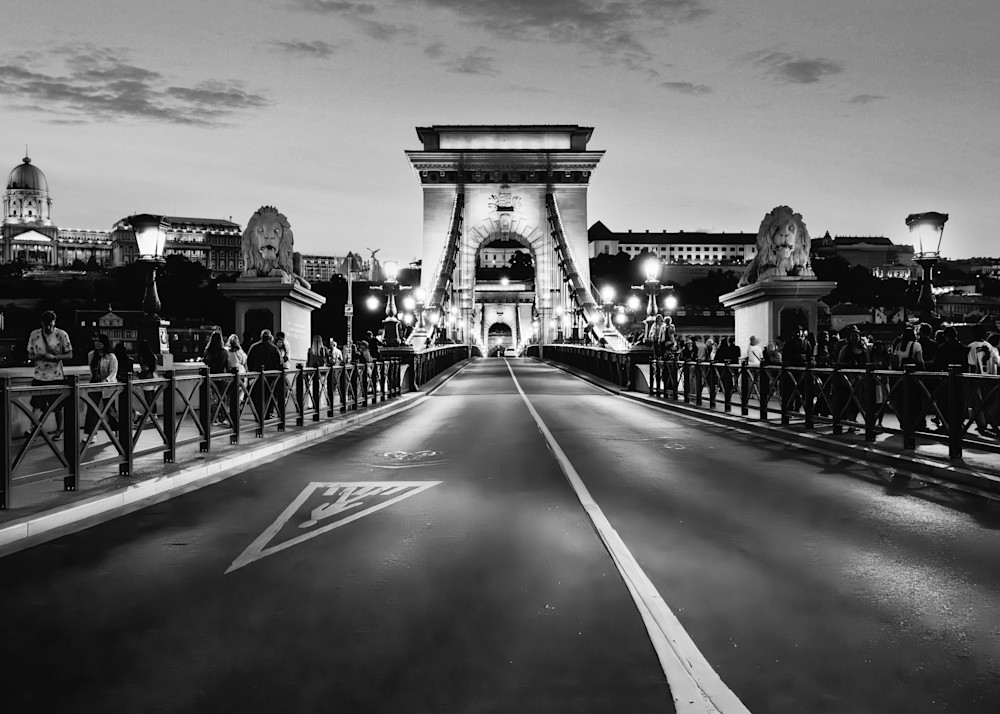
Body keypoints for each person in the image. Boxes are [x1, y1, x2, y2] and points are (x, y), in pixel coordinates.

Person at [25, 309, 73, 440]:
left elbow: (69, 355)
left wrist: (54, 356)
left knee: (57, 407)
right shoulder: (34, 335)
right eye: (46, 325)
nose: (48, 327)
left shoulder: (62, 335)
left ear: (54, 322)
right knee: (36, 405)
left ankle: (59, 431)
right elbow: (30, 355)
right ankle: (33, 430)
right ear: (42, 323)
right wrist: (39, 356)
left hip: (56, 376)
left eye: (51, 325)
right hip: (39, 375)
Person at [82, 333, 119, 444]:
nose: (97, 343)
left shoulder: (111, 357)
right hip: (94, 384)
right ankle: (91, 434)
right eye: (96, 341)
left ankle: (116, 431)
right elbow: (91, 370)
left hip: (107, 386)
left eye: (100, 341)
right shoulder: (91, 355)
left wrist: (106, 381)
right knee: (92, 409)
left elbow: (113, 372)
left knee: (110, 409)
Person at [246, 330, 283, 420]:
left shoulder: (254, 347)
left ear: (261, 336)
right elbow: (280, 363)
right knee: (270, 395)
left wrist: (251, 372)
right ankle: (268, 413)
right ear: (270, 337)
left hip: (257, 375)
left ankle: (259, 414)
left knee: (258, 395)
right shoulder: (274, 348)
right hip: (270, 376)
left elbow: (248, 361)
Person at [137, 339, 159, 419]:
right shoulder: (153, 356)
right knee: (152, 397)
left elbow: (144, 368)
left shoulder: (142, 356)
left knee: (148, 397)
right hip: (154, 376)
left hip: (147, 377)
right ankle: (154, 413)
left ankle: (149, 414)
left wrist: (139, 374)